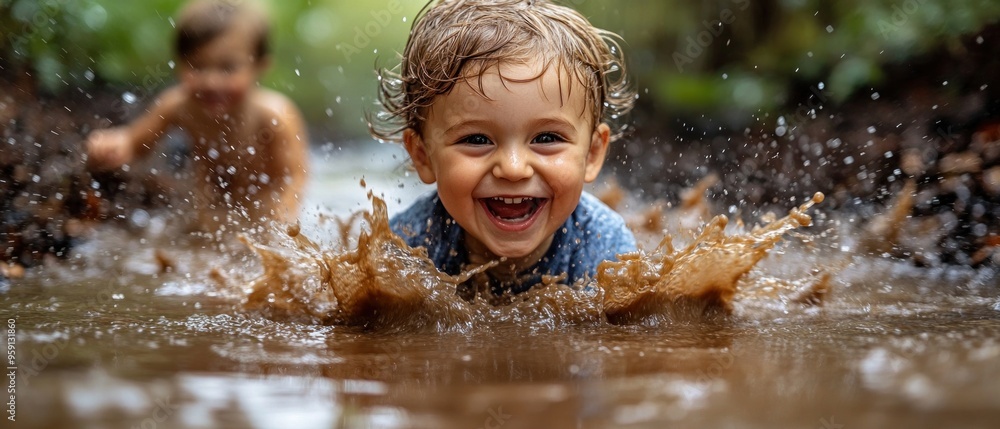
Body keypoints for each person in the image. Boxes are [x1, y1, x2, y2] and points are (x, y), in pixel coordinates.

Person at [371, 0, 637, 301]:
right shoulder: (406, 248)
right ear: (423, 156)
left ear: (591, 154)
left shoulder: (606, 252)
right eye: (477, 140)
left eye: (546, 138)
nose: (513, 168)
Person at [86, 0, 308, 232]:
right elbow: (138, 142)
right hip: (211, 207)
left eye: (228, 68)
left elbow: (294, 177)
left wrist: (283, 223)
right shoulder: (178, 105)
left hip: (266, 210)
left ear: (260, 66)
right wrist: (118, 144)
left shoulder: (275, 115)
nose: (211, 82)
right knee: (198, 237)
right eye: (197, 66)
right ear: (180, 63)